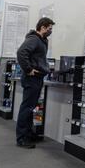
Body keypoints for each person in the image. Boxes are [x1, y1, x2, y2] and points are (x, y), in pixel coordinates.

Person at [16, 17, 55, 148]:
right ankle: (21, 138)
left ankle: (28, 134)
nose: (51, 31)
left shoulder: (42, 41)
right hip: (31, 78)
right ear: (42, 27)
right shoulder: (34, 39)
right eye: (49, 28)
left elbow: (38, 57)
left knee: (30, 108)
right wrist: (28, 70)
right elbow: (21, 52)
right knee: (26, 108)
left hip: (37, 78)